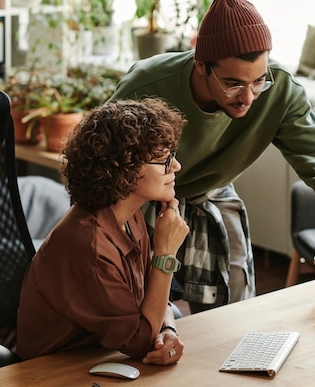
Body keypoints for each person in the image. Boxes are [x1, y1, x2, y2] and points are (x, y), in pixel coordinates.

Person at [110, 0, 315, 314]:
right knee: (135, 306)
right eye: (233, 84)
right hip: (141, 196)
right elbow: (104, 164)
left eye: (258, 82)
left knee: (236, 302)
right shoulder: (147, 85)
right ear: (200, 65)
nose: (247, 98)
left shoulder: (281, 89)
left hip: (212, 191)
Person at [17, 98, 189, 365]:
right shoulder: (90, 244)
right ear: (124, 168)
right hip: (56, 373)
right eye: (163, 160)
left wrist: (167, 330)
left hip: (102, 358)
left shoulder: (129, 217)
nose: (175, 167)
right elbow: (139, 340)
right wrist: (166, 255)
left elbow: (149, 299)